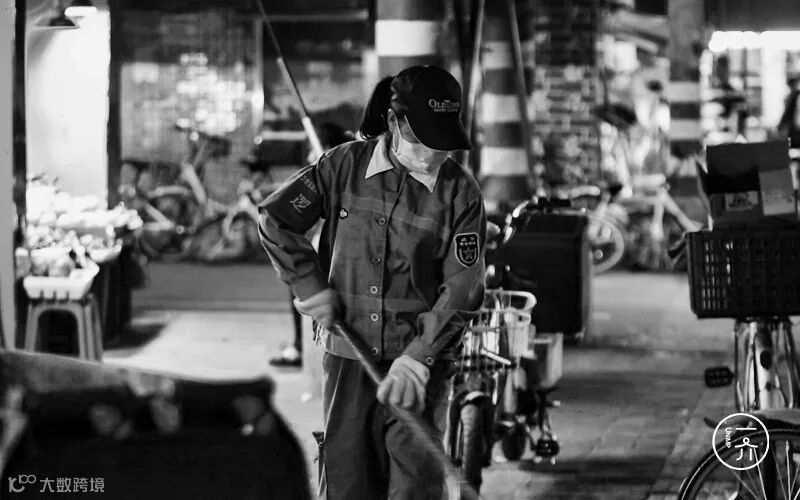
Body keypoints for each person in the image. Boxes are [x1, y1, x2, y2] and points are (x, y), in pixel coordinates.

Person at [258, 66, 487, 499]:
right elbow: (276, 219)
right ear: (394, 121)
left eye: (442, 139)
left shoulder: (461, 193)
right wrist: (309, 285)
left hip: (420, 370)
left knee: (415, 484)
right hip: (349, 358)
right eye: (422, 137)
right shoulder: (341, 166)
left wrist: (419, 357)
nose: (433, 151)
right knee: (349, 480)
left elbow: (464, 286)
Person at [270, 121, 355, 368]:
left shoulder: (338, 167)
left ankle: (302, 347)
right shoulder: (330, 170)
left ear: (326, 146)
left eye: (311, 149)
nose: (309, 155)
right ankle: (301, 345)